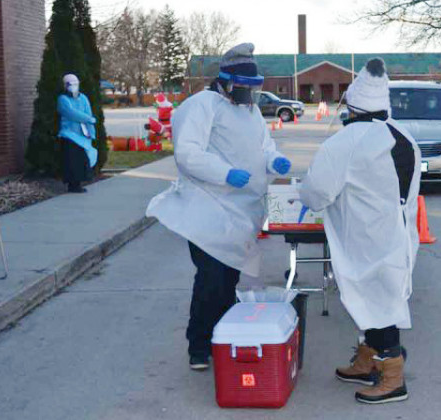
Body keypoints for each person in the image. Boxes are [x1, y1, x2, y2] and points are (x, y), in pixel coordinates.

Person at [146, 43, 291, 371]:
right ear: (225, 81)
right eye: (244, 88)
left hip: (241, 212)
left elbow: (263, 145)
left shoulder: (250, 111)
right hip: (207, 209)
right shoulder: (200, 106)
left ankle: (222, 341)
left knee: (228, 281)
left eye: (254, 89)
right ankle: (198, 345)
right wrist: (225, 172)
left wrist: (274, 159)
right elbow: (188, 153)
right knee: (211, 278)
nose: (249, 95)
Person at [299, 58, 421, 404]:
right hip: (399, 235)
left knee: (378, 303)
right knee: (383, 297)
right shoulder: (404, 136)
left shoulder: (346, 142)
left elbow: (316, 191)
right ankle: (368, 360)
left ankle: (393, 376)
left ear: (350, 106)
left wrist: (303, 195)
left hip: (366, 239)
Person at [58, 74, 97, 193]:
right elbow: (71, 113)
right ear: (65, 85)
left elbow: (88, 113)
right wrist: (88, 119)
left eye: (75, 83)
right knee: (71, 162)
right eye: (70, 84)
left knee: (81, 161)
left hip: (82, 136)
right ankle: (72, 185)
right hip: (69, 134)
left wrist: (92, 132)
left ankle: (78, 184)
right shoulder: (63, 99)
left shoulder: (83, 98)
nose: (73, 86)